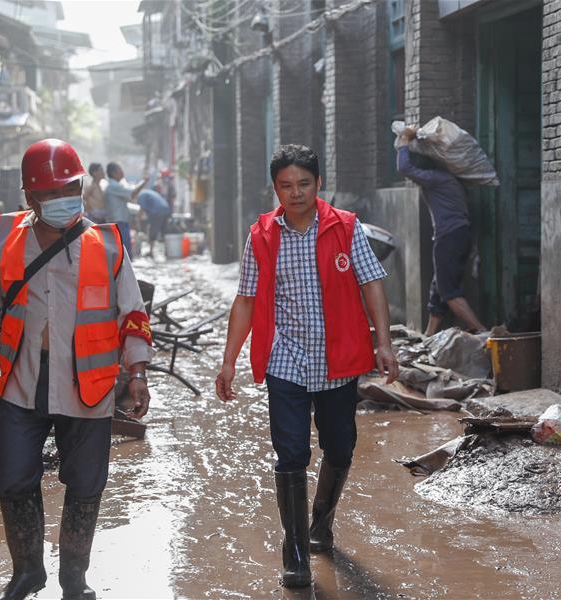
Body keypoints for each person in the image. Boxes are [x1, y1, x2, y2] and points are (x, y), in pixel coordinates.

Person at [0, 139, 153, 600]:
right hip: (21, 381)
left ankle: (74, 579)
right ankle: (28, 572)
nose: (64, 198)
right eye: (52, 192)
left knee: (86, 484)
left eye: (71, 188)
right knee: (13, 478)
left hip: (89, 384)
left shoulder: (106, 246)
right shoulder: (6, 243)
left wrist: (138, 374)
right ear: (31, 198)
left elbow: (132, 314)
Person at [215, 144, 399, 588]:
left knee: (341, 447)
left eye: (303, 184)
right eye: (285, 185)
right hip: (286, 361)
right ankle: (295, 553)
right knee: (291, 454)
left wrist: (384, 343)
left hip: (339, 359)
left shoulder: (345, 227)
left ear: (319, 183)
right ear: (275, 188)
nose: (295, 193)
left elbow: (372, 284)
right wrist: (228, 361)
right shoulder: (261, 235)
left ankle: (321, 523)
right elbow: (246, 300)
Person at [396, 127, 486, 335]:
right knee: (439, 288)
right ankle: (429, 336)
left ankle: (483, 332)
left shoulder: (436, 179)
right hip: (459, 235)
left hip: (449, 237)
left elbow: (404, 168)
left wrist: (405, 141)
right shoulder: (449, 179)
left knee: (449, 291)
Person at [103, 162, 149, 255]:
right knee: (124, 251)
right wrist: (144, 181)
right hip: (119, 222)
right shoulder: (113, 186)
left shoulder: (115, 185)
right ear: (114, 173)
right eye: (120, 170)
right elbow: (132, 193)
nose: (122, 172)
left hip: (121, 222)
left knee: (124, 251)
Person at [136, 188, 171, 257]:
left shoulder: (141, 195)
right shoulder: (148, 192)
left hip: (157, 211)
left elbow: (141, 210)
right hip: (166, 209)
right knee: (164, 232)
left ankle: (151, 252)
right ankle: (168, 252)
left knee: (153, 232)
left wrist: (138, 222)